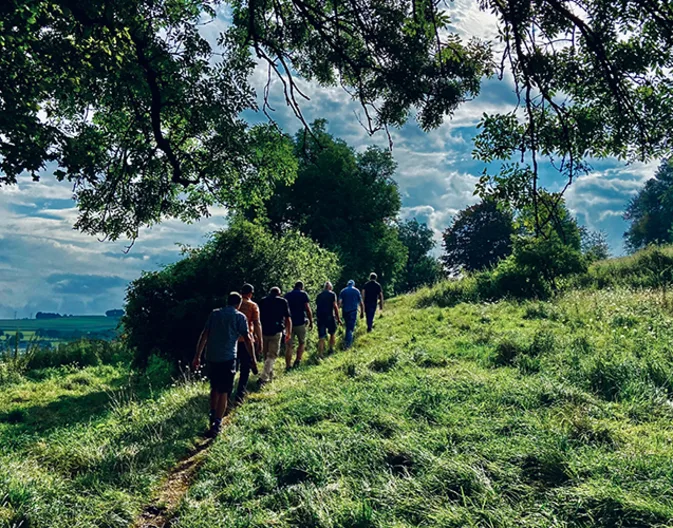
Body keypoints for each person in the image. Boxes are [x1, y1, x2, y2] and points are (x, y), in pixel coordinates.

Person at [192, 292, 256, 437]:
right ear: (239, 304)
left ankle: (212, 414)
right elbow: (247, 338)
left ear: (227, 301)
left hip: (212, 357)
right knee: (224, 392)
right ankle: (217, 423)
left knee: (214, 388)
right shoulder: (239, 317)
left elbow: (204, 334)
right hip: (228, 358)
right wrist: (252, 358)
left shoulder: (215, 314)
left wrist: (197, 356)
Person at [231, 283, 262, 405]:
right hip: (246, 340)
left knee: (233, 367)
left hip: (232, 340)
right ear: (250, 293)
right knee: (245, 369)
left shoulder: (233, 304)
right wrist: (260, 340)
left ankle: (227, 393)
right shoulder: (252, 305)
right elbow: (257, 323)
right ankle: (240, 395)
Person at [259, 286, 292, 384]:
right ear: (279, 293)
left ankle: (269, 376)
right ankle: (264, 377)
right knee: (272, 355)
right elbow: (288, 318)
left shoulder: (263, 301)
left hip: (264, 331)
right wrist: (288, 332)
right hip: (276, 331)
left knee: (266, 355)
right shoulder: (282, 302)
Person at [284, 281, 313, 369]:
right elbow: (307, 309)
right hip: (300, 322)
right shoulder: (303, 294)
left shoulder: (287, 295)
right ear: (302, 287)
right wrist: (311, 321)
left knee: (289, 345)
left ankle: (288, 365)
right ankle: (297, 360)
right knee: (302, 342)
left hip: (289, 323)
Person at [315, 281, 341, 357]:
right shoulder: (332, 294)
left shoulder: (319, 295)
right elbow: (335, 306)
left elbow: (317, 306)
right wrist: (338, 317)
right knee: (332, 333)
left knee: (321, 336)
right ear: (330, 287)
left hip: (320, 317)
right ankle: (331, 349)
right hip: (329, 316)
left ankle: (320, 353)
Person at [339, 279, 364, 349]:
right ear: (353, 284)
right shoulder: (356, 291)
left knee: (347, 326)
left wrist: (337, 312)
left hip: (345, 312)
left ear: (347, 284)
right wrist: (362, 312)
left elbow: (340, 302)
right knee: (350, 328)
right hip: (353, 311)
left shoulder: (343, 291)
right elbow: (361, 303)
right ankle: (348, 344)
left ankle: (346, 341)